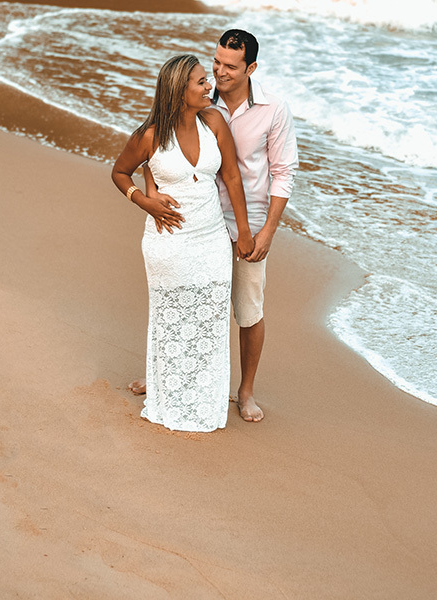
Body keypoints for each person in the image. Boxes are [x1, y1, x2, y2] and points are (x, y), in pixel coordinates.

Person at [135, 30, 299, 423]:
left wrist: (264, 232)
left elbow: (283, 173)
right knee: (184, 298)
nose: (219, 72)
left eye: (230, 66)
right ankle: (165, 373)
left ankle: (245, 391)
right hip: (198, 220)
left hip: (249, 221)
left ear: (251, 68)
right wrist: (150, 193)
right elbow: (155, 151)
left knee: (247, 309)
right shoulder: (197, 96)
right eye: (216, 62)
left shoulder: (273, 109)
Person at [111, 54, 254, 432]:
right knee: (171, 317)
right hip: (168, 241)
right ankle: (168, 390)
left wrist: (243, 231)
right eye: (201, 82)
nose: (210, 86)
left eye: (207, 80)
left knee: (209, 317)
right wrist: (143, 201)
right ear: (179, 90)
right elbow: (120, 171)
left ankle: (204, 397)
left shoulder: (214, 122)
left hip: (211, 239)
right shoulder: (150, 135)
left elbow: (232, 178)